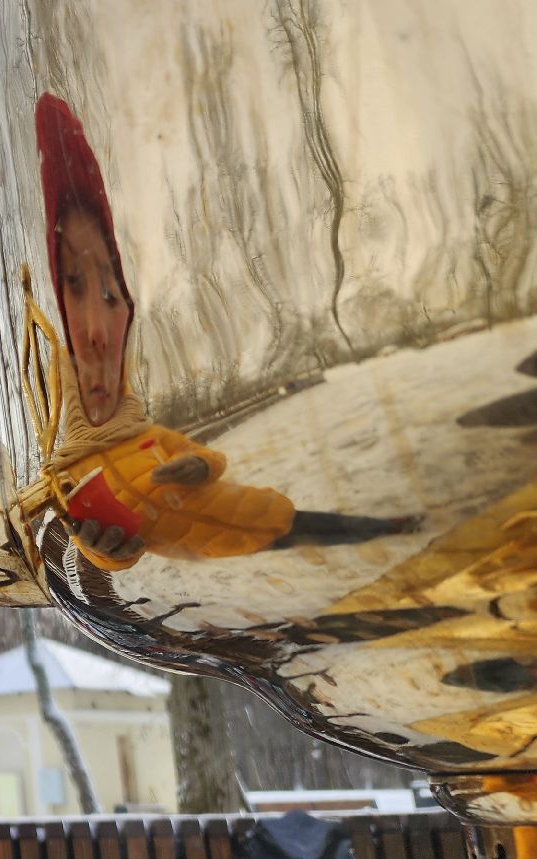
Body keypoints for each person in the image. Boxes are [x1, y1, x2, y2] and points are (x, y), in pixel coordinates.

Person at [35, 93, 415, 573]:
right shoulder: (70, 474)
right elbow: (97, 548)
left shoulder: (145, 432)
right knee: (314, 560)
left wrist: (200, 467)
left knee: (327, 531)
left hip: (258, 512)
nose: (95, 331)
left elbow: (205, 456)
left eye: (111, 293)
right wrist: (106, 552)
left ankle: (392, 528)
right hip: (229, 560)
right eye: (74, 286)